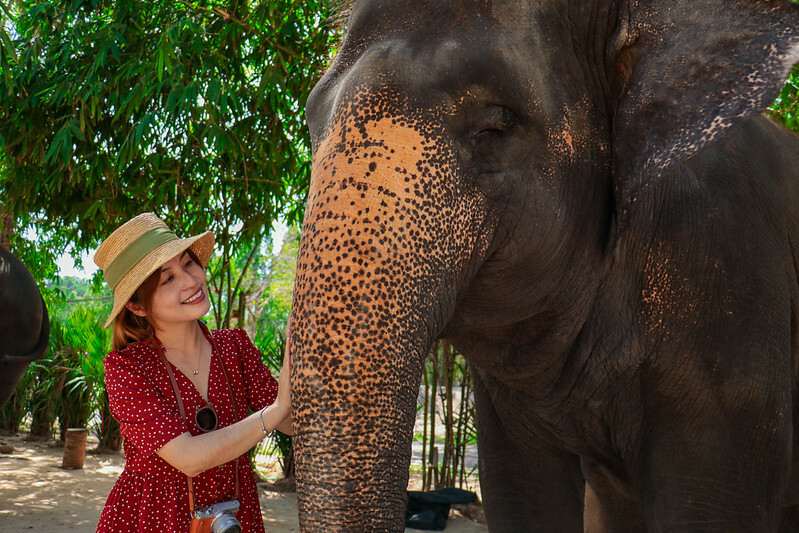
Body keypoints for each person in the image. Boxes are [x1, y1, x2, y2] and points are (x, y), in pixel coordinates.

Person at [92, 212, 292, 533]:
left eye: (188, 264)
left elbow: (294, 423)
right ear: (137, 306)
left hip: (236, 514)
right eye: (167, 279)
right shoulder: (128, 369)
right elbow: (189, 458)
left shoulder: (235, 347)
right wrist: (276, 410)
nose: (190, 281)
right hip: (155, 519)